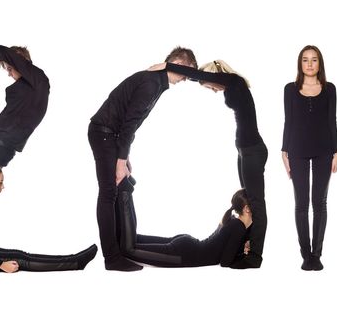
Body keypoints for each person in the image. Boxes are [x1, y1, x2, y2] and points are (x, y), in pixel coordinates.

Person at [147, 60, 268, 269]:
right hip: (245, 150)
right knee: (247, 197)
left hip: (253, 151)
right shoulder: (230, 85)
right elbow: (204, 78)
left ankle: (255, 256)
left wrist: (168, 66)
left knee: (257, 203)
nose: (212, 90)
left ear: (215, 75)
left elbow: (205, 77)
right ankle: (245, 243)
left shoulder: (234, 81)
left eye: (210, 86)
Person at [88, 47, 197, 272]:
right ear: (178, 63)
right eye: (188, 71)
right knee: (108, 193)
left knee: (117, 189)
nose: (187, 78)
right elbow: (129, 124)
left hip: (111, 135)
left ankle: (121, 247)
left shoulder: (155, 81)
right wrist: (120, 161)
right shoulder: (151, 83)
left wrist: (124, 156)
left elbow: (130, 123)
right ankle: (112, 258)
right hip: (104, 133)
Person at [0, 163, 97, 272]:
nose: (3, 186)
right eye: (0, 182)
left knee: (16, 254)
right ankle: (76, 263)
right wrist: (1, 264)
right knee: (19, 259)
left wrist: (0, 252)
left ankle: (74, 260)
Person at [281, 45, 337, 271]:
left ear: (320, 63)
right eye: (305, 60)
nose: (310, 64)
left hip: (325, 150)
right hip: (297, 150)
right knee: (301, 204)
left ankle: (317, 254)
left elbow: (332, 120)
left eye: (314, 60)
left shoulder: (330, 88)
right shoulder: (289, 89)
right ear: (300, 64)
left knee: (320, 203)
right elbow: (288, 121)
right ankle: (305, 255)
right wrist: (284, 151)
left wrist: (336, 151)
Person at [119, 183, 251, 268]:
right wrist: (245, 257)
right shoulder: (238, 227)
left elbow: (223, 250)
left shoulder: (232, 219)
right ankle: (124, 191)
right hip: (184, 254)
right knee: (128, 249)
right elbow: (225, 262)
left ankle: (125, 192)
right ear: (246, 209)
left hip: (187, 245)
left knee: (134, 240)